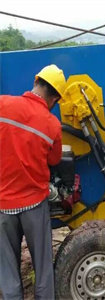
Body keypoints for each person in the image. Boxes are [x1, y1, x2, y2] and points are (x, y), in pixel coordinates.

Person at [0, 64, 66, 299]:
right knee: (43, 270)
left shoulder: (3, 104)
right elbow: (55, 158)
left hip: (3, 206)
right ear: (55, 99)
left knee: (7, 273)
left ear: (36, 82)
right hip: (34, 206)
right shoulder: (51, 125)